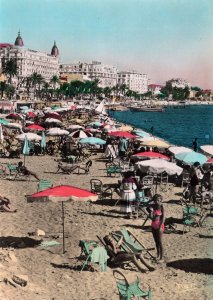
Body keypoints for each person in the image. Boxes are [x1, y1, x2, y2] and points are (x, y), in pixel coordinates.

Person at [146, 194, 164, 260]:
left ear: (161, 200)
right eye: (156, 200)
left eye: (159, 200)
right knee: (156, 242)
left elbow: (163, 218)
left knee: (160, 242)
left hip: (159, 224)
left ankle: (161, 258)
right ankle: (158, 255)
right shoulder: (153, 206)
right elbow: (146, 205)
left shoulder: (161, 207)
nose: (157, 201)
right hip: (153, 224)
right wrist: (151, 200)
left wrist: (160, 226)